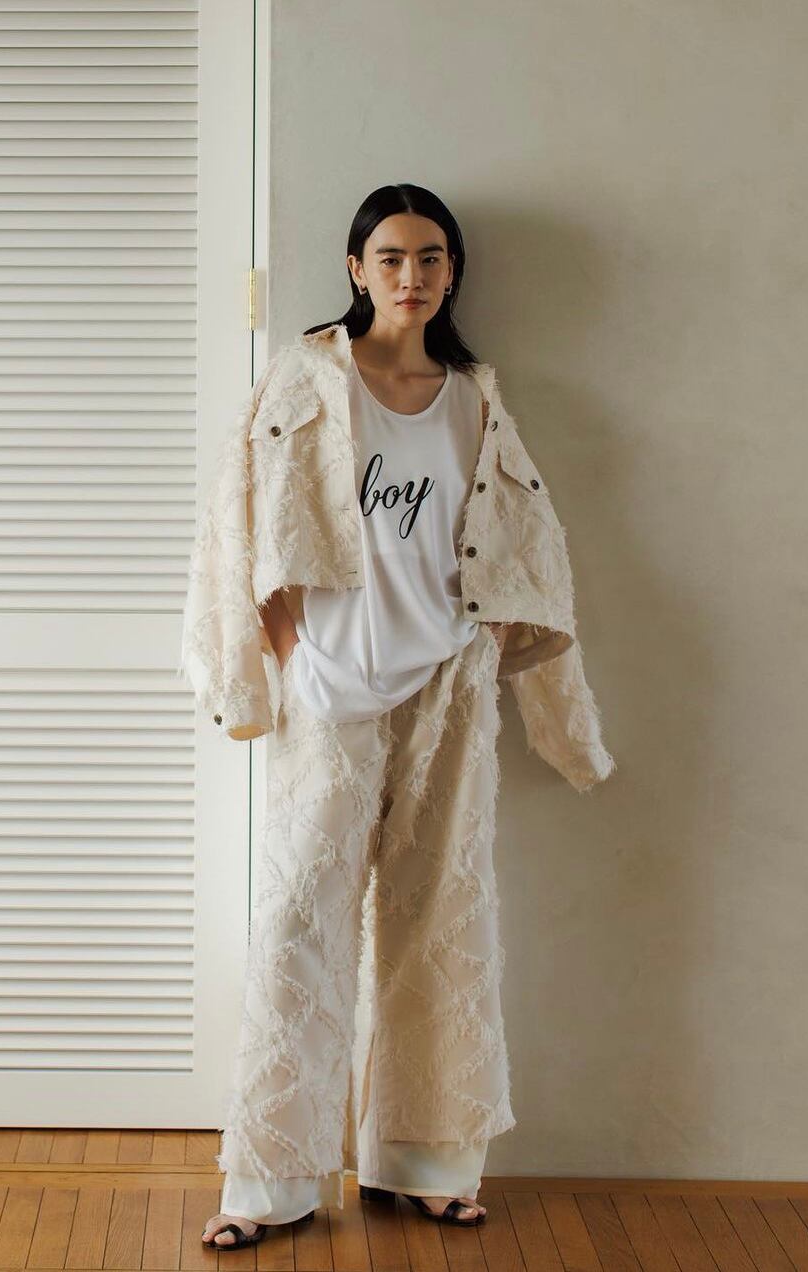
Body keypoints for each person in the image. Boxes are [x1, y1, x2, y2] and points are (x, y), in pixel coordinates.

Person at [190, 184, 616, 1248]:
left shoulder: (473, 396)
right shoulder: (304, 379)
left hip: (447, 685)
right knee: (300, 920)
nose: (411, 276)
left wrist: (506, 664)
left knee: (442, 918)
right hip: (327, 688)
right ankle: (272, 1182)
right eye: (390, 257)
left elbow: (523, 539)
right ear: (356, 269)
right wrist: (285, 654)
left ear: (452, 272)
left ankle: (425, 1165)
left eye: (430, 258)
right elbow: (240, 518)